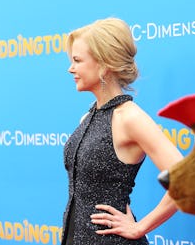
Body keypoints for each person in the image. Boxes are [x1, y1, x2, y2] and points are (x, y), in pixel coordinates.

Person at [62, 17, 183, 245]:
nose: (71, 69)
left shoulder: (129, 117)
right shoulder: (88, 117)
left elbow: (185, 180)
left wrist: (141, 227)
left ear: (104, 64)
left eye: (77, 60)